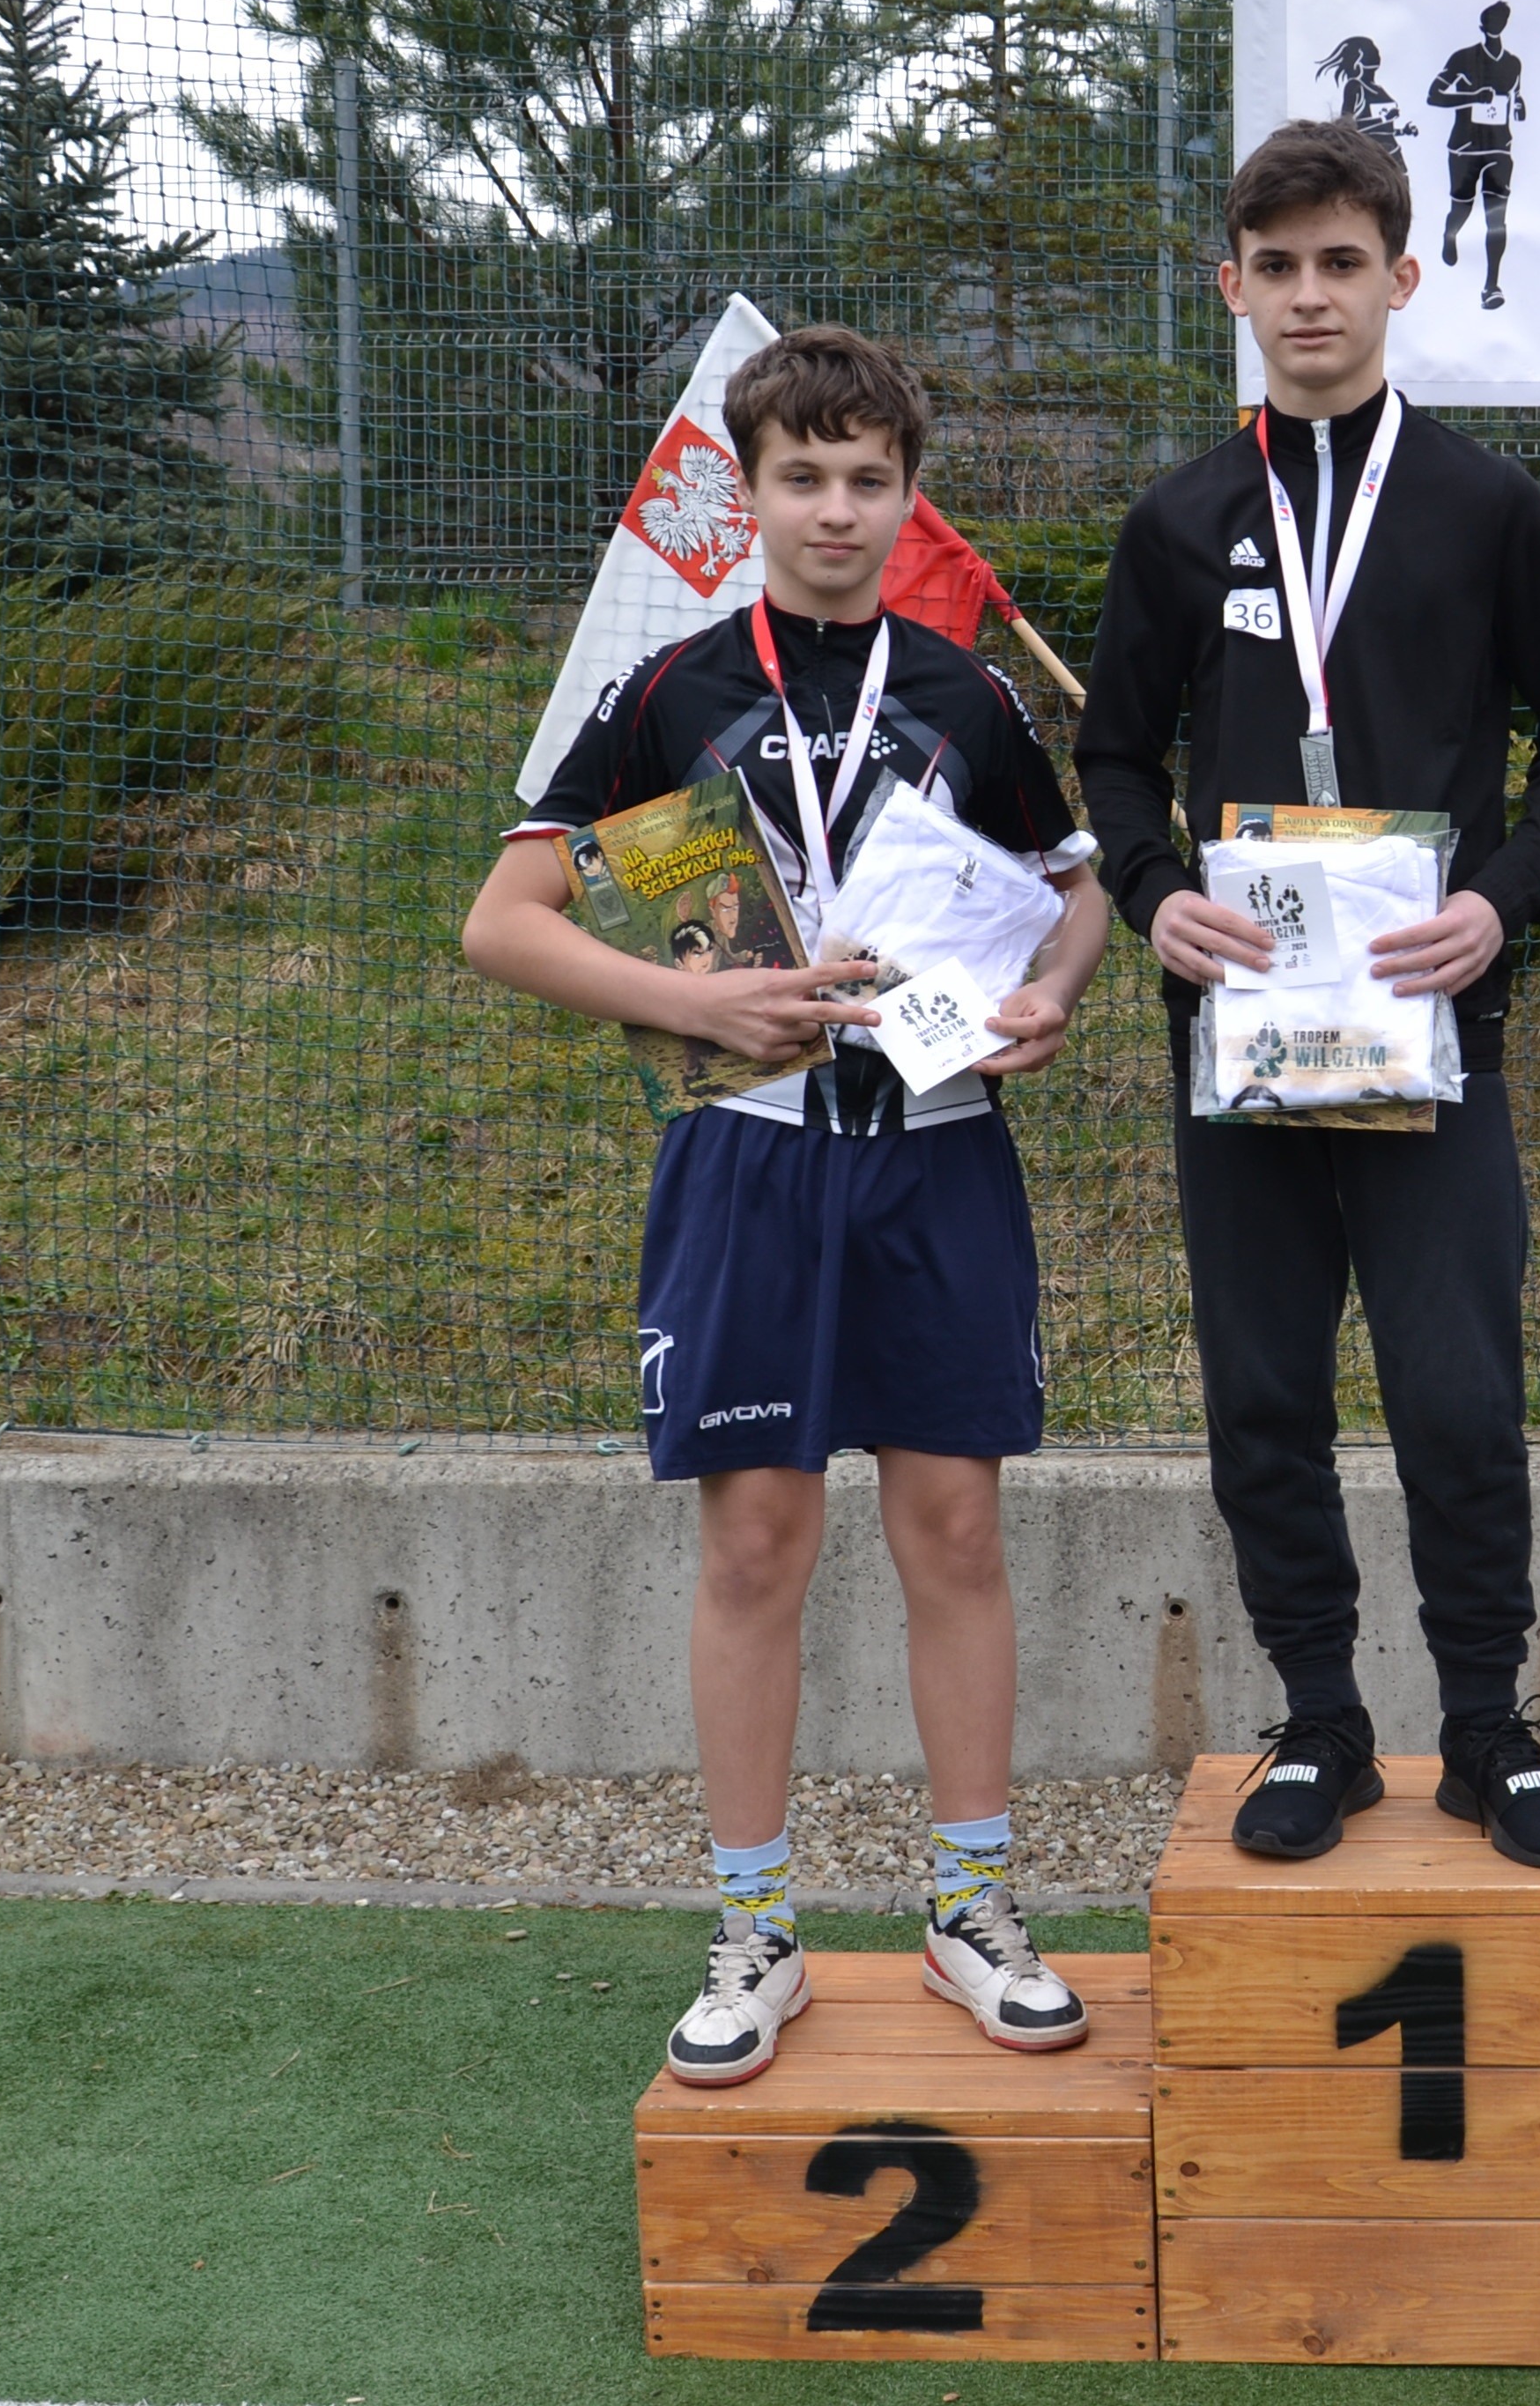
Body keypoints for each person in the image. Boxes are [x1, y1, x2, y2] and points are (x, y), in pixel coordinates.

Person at [463, 325, 1114, 2083]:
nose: (836, 509)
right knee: (756, 1541)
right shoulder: (669, 691)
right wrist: (702, 1002)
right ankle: (756, 1930)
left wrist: (1050, 994)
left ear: (908, 499)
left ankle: (971, 1905)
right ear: (744, 492)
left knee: (953, 1531)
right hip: (747, 1155)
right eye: (802, 477)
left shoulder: (968, 696)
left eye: (868, 480)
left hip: (938, 1148)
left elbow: (1074, 895)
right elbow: (504, 924)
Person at [1075, 118, 1540, 1867]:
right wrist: (1154, 895)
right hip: (1240, 1042)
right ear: (1229, 288)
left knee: (1457, 1393)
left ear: (1401, 278)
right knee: (1265, 1399)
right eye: (1277, 266)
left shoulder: (1483, 507)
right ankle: (1319, 1721)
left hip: (1429, 1031)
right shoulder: (1179, 521)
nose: (1309, 295)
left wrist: (1495, 905)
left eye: (1341, 263)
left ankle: (1484, 1728)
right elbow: (1110, 759)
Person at [1423, 2, 1525, 309]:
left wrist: (1519, 107)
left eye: (1502, 19)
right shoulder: (1463, 58)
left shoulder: (1514, 64)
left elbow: (1516, 97)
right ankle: (1450, 233)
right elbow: (1434, 95)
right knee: (1462, 208)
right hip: (1465, 147)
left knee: (1496, 218)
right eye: (1492, 19)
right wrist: (1473, 97)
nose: (1497, 24)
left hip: (1499, 147)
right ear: (1483, 25)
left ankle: (1491, 286)